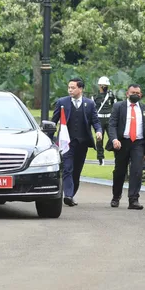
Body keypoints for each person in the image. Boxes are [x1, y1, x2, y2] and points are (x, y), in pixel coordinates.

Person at [52, 77, 102, 207]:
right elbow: (54, 121)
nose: (70, 90)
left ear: (80, 89)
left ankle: (71, 195)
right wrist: (49, 138)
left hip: (82, 142)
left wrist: (98, 131)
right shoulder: (62, 102)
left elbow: (95, 120)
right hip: (66, 142)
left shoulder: (89, 104)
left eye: (73, 88)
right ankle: (67, 195)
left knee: (77, 171)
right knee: (68, 168)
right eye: (69, 87)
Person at [108, 84, 145, 210]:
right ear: (127, 93)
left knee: (137, 171)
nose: (135, 95)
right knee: (120, 171)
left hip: (138, 143)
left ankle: (133, 200)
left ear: (141, 95)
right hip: (122, 142)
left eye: (138, 93)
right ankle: (116, 197)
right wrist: (114, 139)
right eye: (133, 92)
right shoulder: (118, 107)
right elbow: (112, 124)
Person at [91, 76, 117, 165]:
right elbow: (93, 109)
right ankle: (100, 158)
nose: (105, 87)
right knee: (99, 139)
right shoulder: (94, 96)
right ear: (100, 85)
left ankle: (116, 155)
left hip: (109, 119)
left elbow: (115, 106)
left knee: (113, 138)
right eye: (104, 85)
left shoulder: (111, 95)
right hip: (99, 119)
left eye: (106, 85)